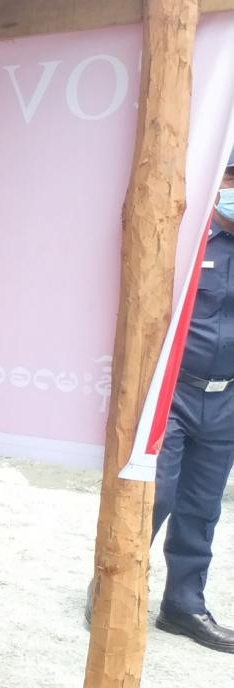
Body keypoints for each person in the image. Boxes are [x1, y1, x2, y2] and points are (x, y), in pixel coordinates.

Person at [146, 152, 234, 652]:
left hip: (226, 399)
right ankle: (115, 585)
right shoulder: (187, 234)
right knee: (153, 496)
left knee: (202, 506)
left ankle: (183, 606)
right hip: (173, 391)